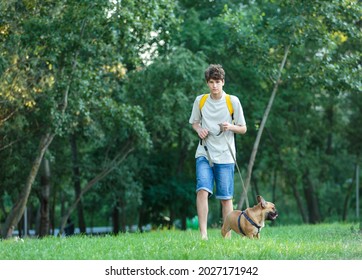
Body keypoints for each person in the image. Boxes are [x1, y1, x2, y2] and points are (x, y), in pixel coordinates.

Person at [189, 64, 247, 240]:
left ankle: (226, 237)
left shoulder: (233, 101)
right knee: (202, 190)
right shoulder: (200, 101)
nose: (214, 85)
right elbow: (195, 122)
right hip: (204, 152)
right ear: (207, 83)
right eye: (211, 82)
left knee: (226, 198)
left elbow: (243, 128)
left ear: (223, 82)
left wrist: (230, 126)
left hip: (225, 155)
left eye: (217, 82)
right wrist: (199, 130)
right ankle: (204, 235)